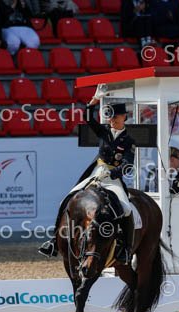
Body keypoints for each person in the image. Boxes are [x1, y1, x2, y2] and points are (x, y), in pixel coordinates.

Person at [39, 96, 136, 265]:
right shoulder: (103, 131)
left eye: (115, 117)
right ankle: (54, 241)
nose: (112, 120)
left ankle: (125, 249)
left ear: (124, 117)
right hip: (96, 171)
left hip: (112, 177)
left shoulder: (129, 140)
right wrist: (93, 102)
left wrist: (113, 173)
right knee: (66, 199)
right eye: (110, 117)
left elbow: (127, 164)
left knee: (127, 209)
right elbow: (87, 118)